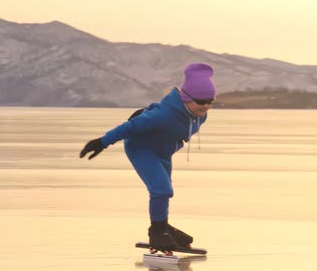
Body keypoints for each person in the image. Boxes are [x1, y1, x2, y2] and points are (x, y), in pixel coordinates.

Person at [79, 63, 216, 252]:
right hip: (141, 147)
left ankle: (163, 226)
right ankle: (158, 232)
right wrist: (102, 142)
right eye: (201, 101)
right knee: (161, 189)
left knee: (165, 192)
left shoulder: (200, 115)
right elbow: (130, 127)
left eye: (210, 101)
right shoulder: (163, 115)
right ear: (186, 98)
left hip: (163, 151)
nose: (206, 106)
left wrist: (147, 111)